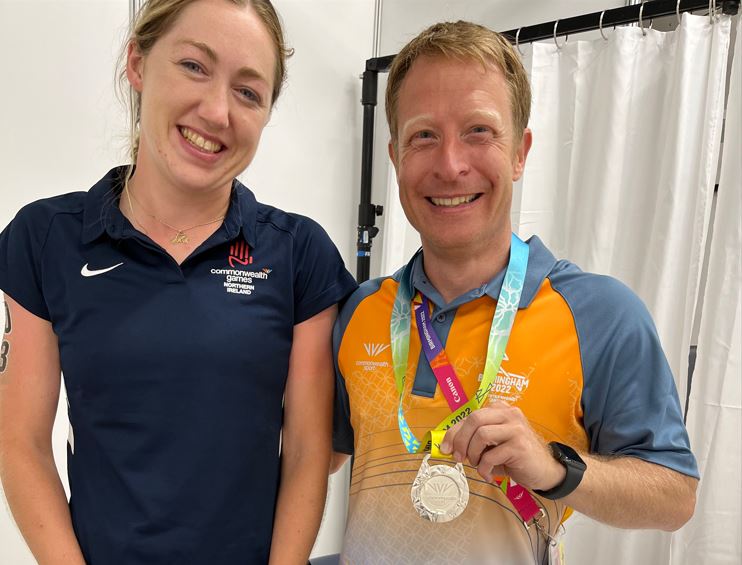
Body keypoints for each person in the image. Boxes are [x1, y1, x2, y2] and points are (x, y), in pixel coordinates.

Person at [0, 1, 357, 563]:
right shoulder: (44, 240)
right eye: (194, 66)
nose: (217, 111)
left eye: (248, 92)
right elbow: (21, 443)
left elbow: (310, 452)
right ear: (138, 63)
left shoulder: (299, 254)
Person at [331, 20, 698, 565]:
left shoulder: (600, 314)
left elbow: (675, 497)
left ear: (520, 152)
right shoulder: (360, 309)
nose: (451, 164)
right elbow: (319, 458)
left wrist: (556, 468)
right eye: (424, 135)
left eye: (479, 131)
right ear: (394, 157)